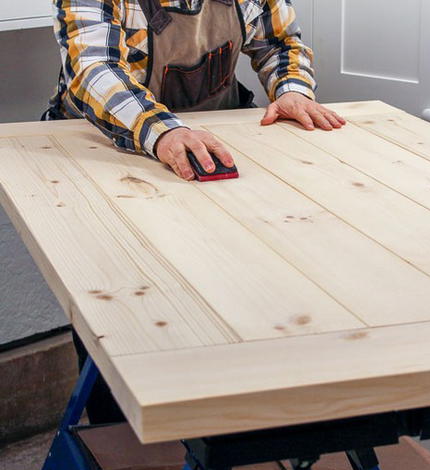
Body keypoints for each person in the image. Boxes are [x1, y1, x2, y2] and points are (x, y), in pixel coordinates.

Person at [45, 0, 346, 424]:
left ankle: (232, 416)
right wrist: (165, 131)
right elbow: (94, 70)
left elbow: (280, 43)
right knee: (120, 311)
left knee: (233, 292)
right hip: (104, 151)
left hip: (209, 150)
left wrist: (292, 89)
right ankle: (125, 442)